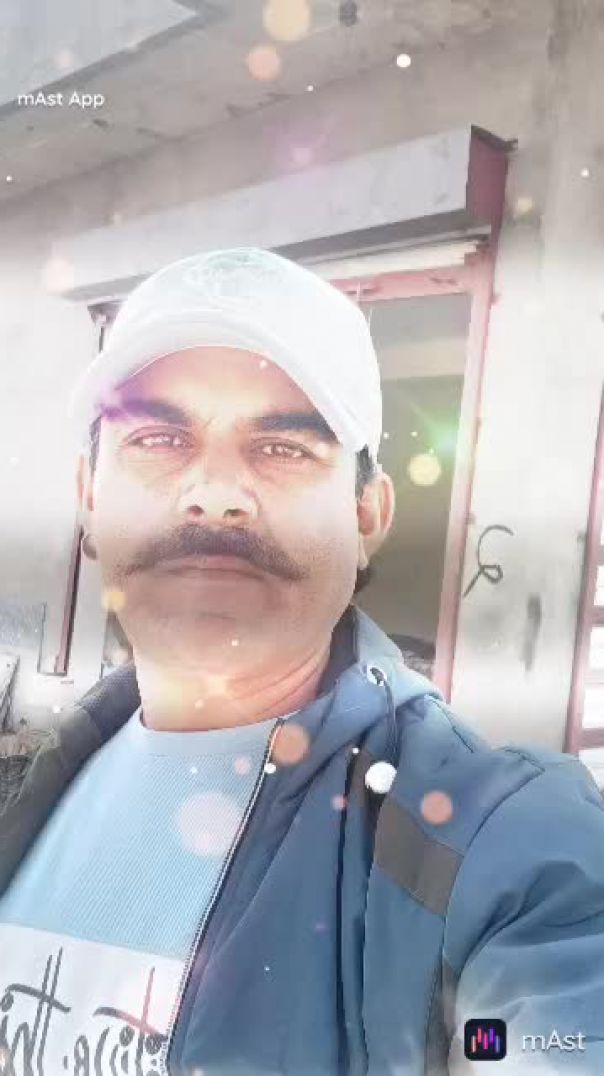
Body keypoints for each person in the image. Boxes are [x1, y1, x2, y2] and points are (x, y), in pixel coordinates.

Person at [1, 248, 603, 1076]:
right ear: (89, 495)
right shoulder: (28, 788)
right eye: (159, 438)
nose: (216, 493)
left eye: (283, 448)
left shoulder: (499, 843)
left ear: (368, 515)